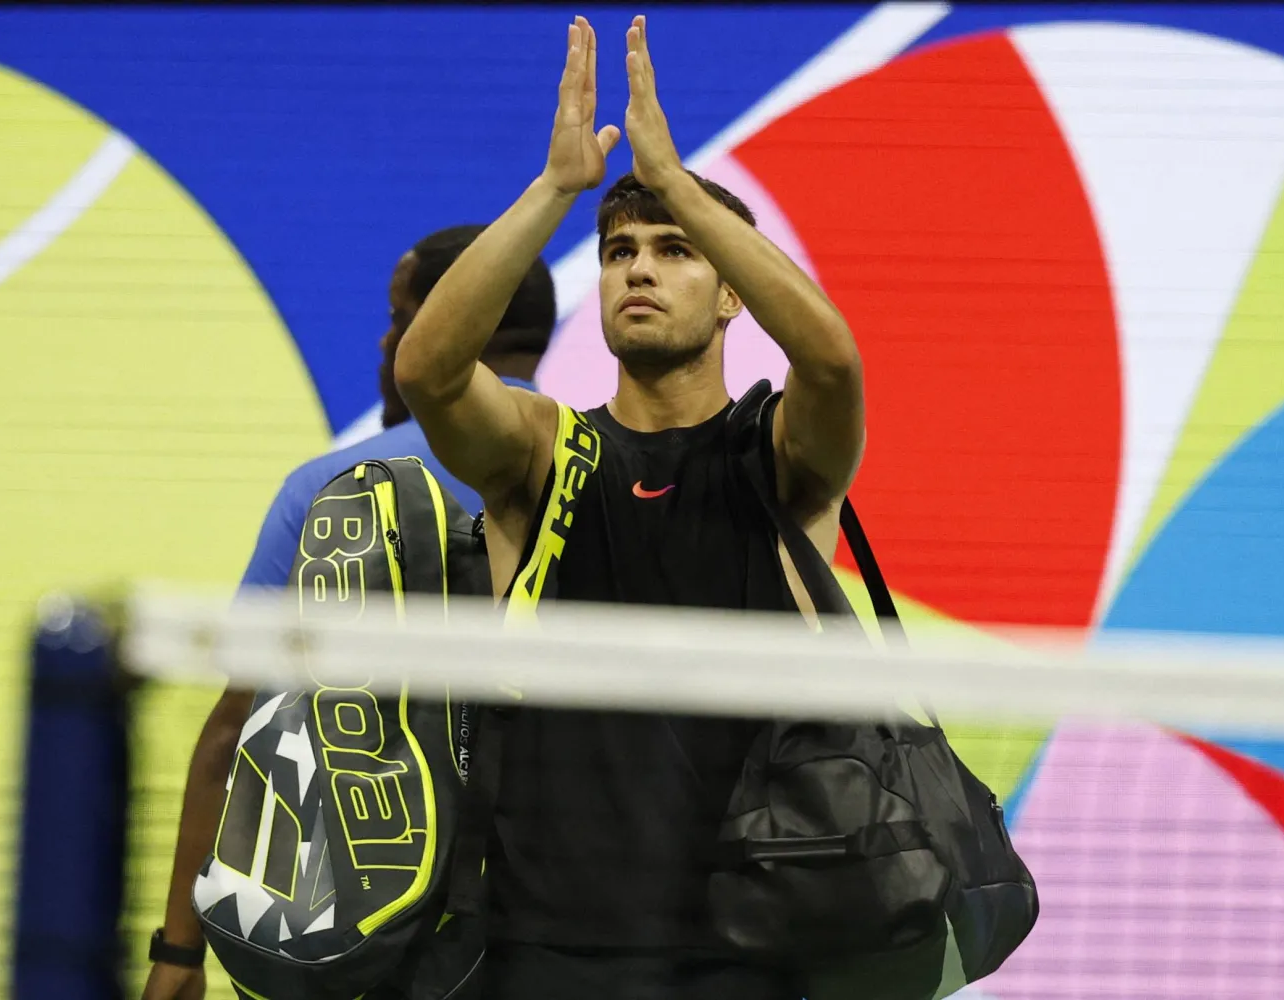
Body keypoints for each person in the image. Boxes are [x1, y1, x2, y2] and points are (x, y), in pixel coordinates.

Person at [394, 15, 864, 1000]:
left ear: (733, 291)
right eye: (617, 253)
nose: (638, 268)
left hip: (752, 945)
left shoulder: (778, 456)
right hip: (546, 946)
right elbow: (429, 372)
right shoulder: (543, 451)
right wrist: (558, 189)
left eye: (675, 250)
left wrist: (679, 182)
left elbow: (832, 357)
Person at [140, 226, 558, 1000]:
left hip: (352, 948)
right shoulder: (599, 471)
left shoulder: (329, 486)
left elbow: (236, 727)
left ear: (445, 322)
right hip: (552, 931)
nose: (384, 338)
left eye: (400, 315)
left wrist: (179, 950)